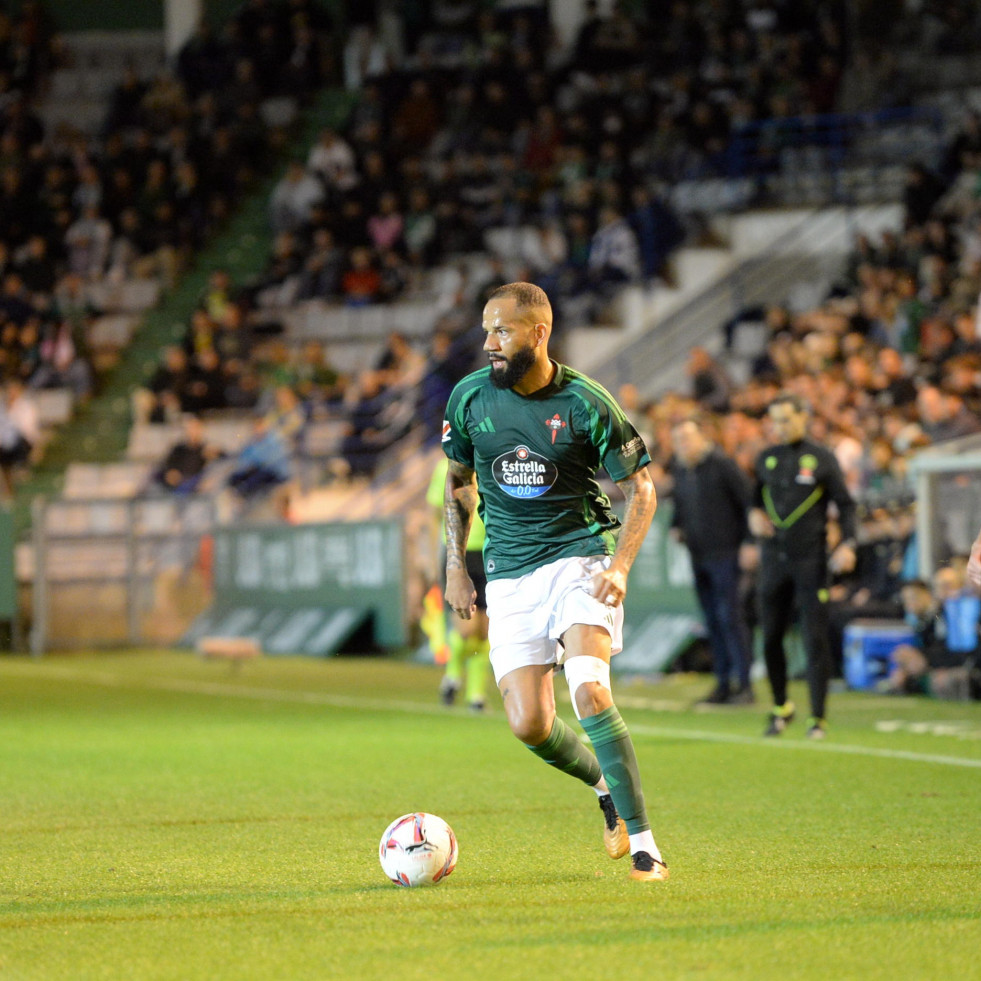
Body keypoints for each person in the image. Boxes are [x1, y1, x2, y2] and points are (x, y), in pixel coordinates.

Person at [442, 281, 668, 883]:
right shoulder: (469, 398)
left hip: (579, 558)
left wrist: (618, 566)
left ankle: (647, 845)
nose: (490, 342)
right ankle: (604, 788)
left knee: (590, 690)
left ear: (538, 333)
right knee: (529, 725)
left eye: (503, 331)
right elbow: (459, 481)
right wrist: (455, 566)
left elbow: (641, 486)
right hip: (510, 573)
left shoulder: (587, 402)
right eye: (486, 330)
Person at [750, 392, 857, 740]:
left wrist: (849, 543)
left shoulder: (822, 458)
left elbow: (846, 503)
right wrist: (754, 519)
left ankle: (818, 718)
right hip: (772, 559)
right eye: (775, 420)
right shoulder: (765, 458)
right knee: (770, 638)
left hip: (810, 560)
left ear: (802, 418)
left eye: (786, 419)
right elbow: (754, 503)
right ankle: (781, 707)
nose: (779, 427)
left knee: (814, 639)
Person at [670, 416, 755, 705]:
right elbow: (680, 504)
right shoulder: (682, 469)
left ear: (701, 438)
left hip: (726, 552)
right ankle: (723, 683)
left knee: (730, 616)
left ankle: (744, 684)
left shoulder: (722, 464)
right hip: (698, 554)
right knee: (712, 619)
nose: (682, 445)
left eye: (687, 439)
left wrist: (750, 542)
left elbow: (748, 502)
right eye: (678, 440)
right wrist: (676, 525)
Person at [425, 456, 490, 712]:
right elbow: (433, 514)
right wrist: (433, 557)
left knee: (484, 632)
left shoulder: (492, 461)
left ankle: (476, 696)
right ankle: (452, 675)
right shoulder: (446, 467)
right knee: (466, 629)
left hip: (490, 553)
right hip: (458, 554)